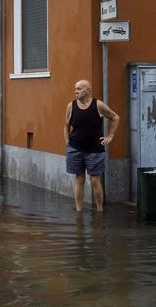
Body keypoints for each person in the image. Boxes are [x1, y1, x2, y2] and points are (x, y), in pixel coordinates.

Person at [64, 79, 119, 212]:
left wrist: (110, 136)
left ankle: (100, 210)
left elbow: (115, 117)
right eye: (75, 88)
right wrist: (67, 142)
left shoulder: (98, 105)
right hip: (75, 148)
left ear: (87, 91)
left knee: (95, 180)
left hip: (95, 149)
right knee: (79, 178)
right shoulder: (71, 106)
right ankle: (79, 210)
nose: (75, 91)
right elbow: (66, 126)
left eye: (79, 89)